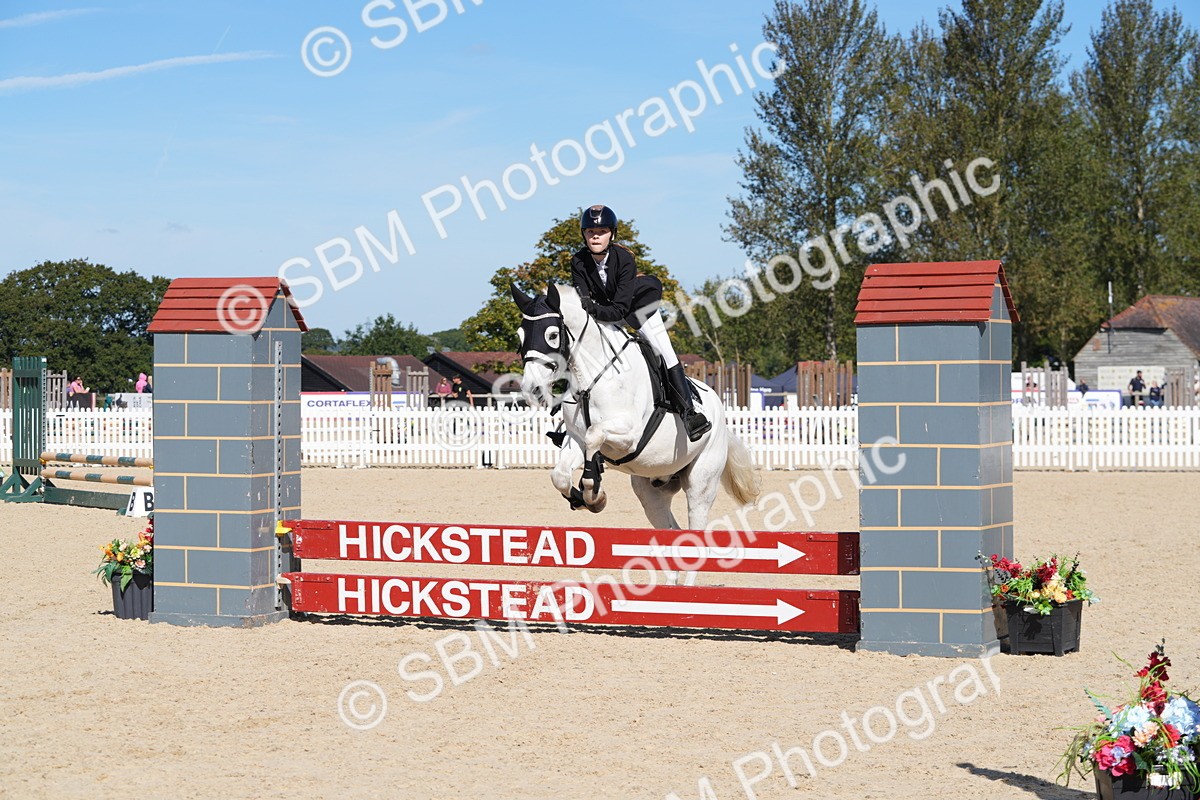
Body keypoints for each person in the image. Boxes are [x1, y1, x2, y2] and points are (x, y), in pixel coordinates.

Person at [570, 205, 711, 442]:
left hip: (637, 308)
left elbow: (620, 309)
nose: (596, 236)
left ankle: (689, 412)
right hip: (605, 311)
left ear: (611, 235)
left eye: (602, 231)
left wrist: (590, 308)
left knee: (663, 350)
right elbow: (584, 299)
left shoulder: (624, 258)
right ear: (583, 234)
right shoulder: (578, 261)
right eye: (590, 231)